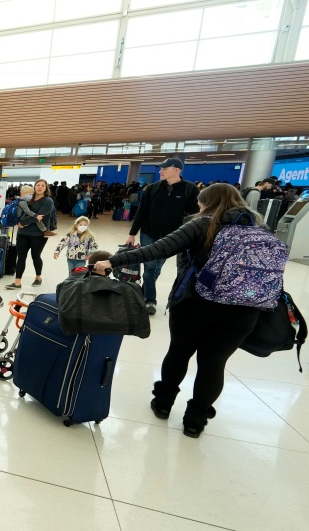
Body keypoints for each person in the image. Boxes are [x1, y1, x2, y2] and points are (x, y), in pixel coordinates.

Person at [93, 184, 264, 438]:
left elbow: (158, 249)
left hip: (194, 302)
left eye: (200, 203)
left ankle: (163, 404)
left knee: (179, 352)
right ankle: (195, 420)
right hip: (243, 310)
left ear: (207, 202)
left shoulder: (203, 224)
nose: (198, 206)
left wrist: (112, 260)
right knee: (214, 363)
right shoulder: (258, 229)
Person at [126, 157, 200, 314]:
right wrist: (132, 234)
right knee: (150, 266)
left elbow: (195, 215)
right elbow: (141, 212)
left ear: (176, 170)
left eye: (164, 169)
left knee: (157, 268)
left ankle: (142, 294)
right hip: (148, 233)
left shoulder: (190, 190)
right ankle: (150, 301)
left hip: (172, 238)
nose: (160, 171)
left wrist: (192, 235)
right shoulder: (152, 189)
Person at [6, 179, 55, 290]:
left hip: (38, 235)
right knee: (21, 257)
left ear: (45, 188)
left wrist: (23, 223)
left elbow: (39, 216)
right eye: (38, 185)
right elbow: (19, 212)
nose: (40, 187)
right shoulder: (27, 200)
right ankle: (17, 282)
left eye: (43, 186)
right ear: (34, 187)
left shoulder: (47, 201)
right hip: (22, 234)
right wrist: (18, 221)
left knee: (35, 256)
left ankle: (38, 277)